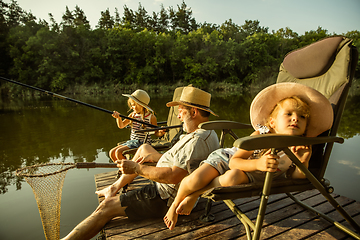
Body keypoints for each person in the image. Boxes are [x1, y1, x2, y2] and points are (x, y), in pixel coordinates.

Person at [164, 82, 334, 230]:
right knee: (195, 179)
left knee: (232, 178)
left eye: (302, 117)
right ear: (273, 122)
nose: (295, 119)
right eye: (289, 114)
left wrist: (303, 162)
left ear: (306, 127)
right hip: (227, 158)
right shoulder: (263, 133)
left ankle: (195, 195)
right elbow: (235, 161)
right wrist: (258, 164)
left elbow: (296, 176)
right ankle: (175, 204)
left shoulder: (299, 147)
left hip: (247, 174)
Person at [61, 86, 220, 240]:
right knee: (145, 149)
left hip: (163, 197)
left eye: (180, 111)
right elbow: (184, 165)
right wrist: (154, 158)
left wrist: (136, 168)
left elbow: (173, 176)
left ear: (193, 112)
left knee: (106, 207)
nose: (178, 116)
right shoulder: (208, 132)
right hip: (168, 188)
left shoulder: (196, 141)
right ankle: (114, 187)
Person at [109, 89, 165, 162]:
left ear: (141, 105)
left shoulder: (151, 117)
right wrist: (118, 118)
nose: (132, 107)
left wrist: (161, 132)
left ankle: (129, 167)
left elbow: (156, 132)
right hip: (132, 142)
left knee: (118, 152)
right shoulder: (132, 115)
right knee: (112, 153)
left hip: (142, 143)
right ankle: (123, 168)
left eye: (133, 105)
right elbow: (121, 125)